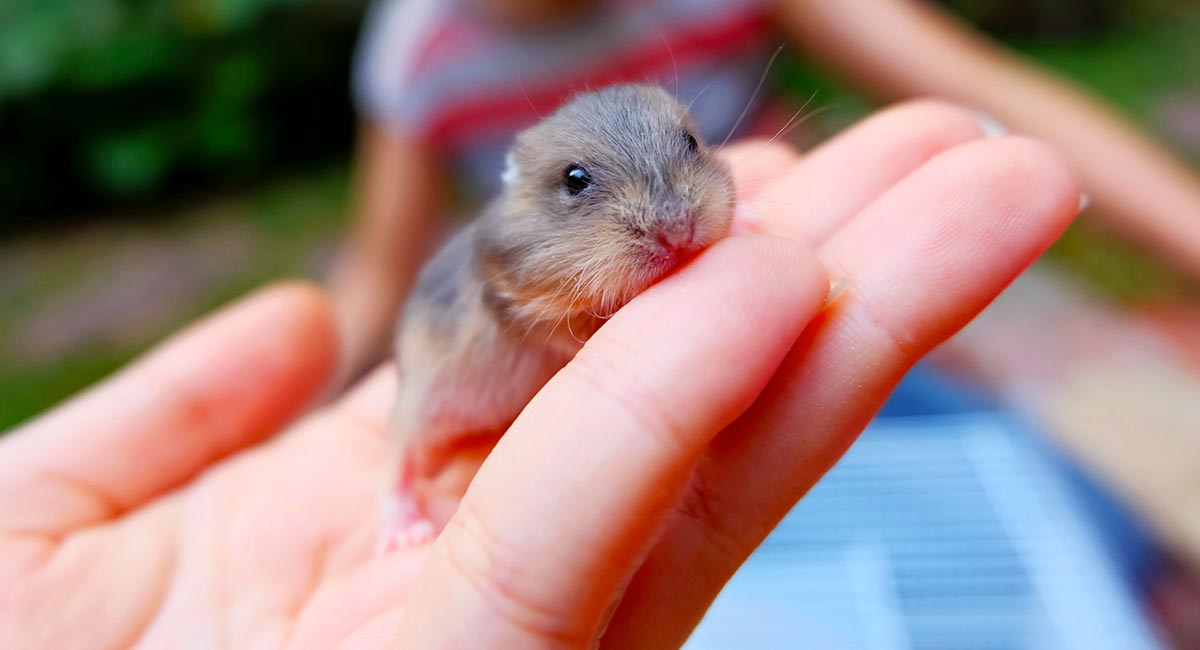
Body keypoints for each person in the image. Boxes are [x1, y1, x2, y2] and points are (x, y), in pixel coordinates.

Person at [0, 109, 1080, 646]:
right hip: (453, 380)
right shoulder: (510, 256)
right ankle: (399, 487)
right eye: (584, 187)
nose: (665, 216)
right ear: (530, 187)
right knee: (419, 419)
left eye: (687, 160)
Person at [327, 0, 1200, 385]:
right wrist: (307, 403)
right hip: (595, 344)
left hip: (814, 263)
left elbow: (978, 84)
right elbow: (375, 277)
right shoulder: (418, 54)